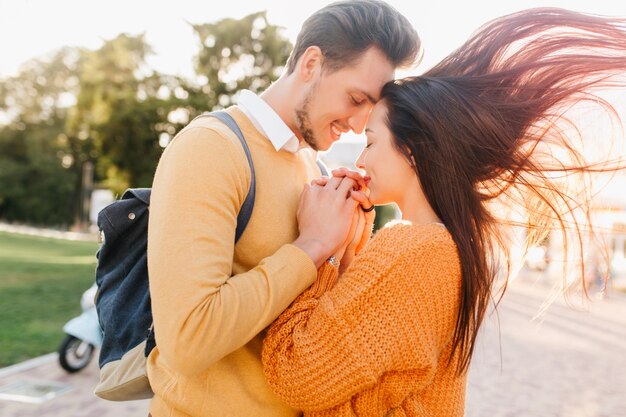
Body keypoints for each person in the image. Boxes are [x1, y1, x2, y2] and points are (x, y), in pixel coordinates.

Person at [262, 7, 626, 416]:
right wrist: (347, 252)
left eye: (371, 140)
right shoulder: (446, 243)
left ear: (413, 153)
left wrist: (318, 245)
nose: (361, 158)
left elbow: (294, 375)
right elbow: (367, 365)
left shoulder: (412, 247)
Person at [146, 1, 421, 416]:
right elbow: (187, 341)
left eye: (371, 106)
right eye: (355, 97)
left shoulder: (312, 165)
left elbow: (315, 324)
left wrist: (348, 240)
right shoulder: (210, 149)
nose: (360, 123)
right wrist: (311, 244)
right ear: (311, 63)